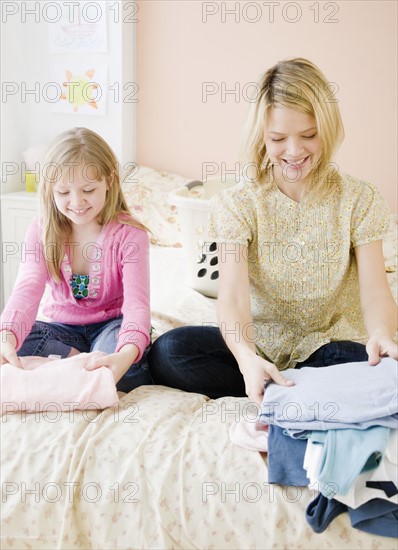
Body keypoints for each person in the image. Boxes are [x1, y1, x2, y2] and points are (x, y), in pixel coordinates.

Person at [148, 57, 398, 404]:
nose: (294, 152)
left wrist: (382, 334)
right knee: (169, 351)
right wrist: (247, 359)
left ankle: (289, 389)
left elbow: (375, 291)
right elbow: (232, 297)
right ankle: (281, 383)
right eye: (279, 138)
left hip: (330, 344)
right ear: (262, 137)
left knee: (372, 367)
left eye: (309, 136)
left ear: (326, 129)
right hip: (260, 343)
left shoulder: (360, 198)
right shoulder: (237, 203)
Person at [0, 127, 152, 393]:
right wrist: (8, 336)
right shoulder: (41, 229)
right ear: (50, 190)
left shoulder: (130, 235)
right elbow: (26, 290)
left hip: (110, 325)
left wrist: (126, 352)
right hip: (61, 330)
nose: (77, 202)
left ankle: (78, 366)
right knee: (15, 338)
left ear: (110, 180)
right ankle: (81, 364)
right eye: (63, 192)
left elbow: (137, 306)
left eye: (88, 189)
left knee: (126, 360)